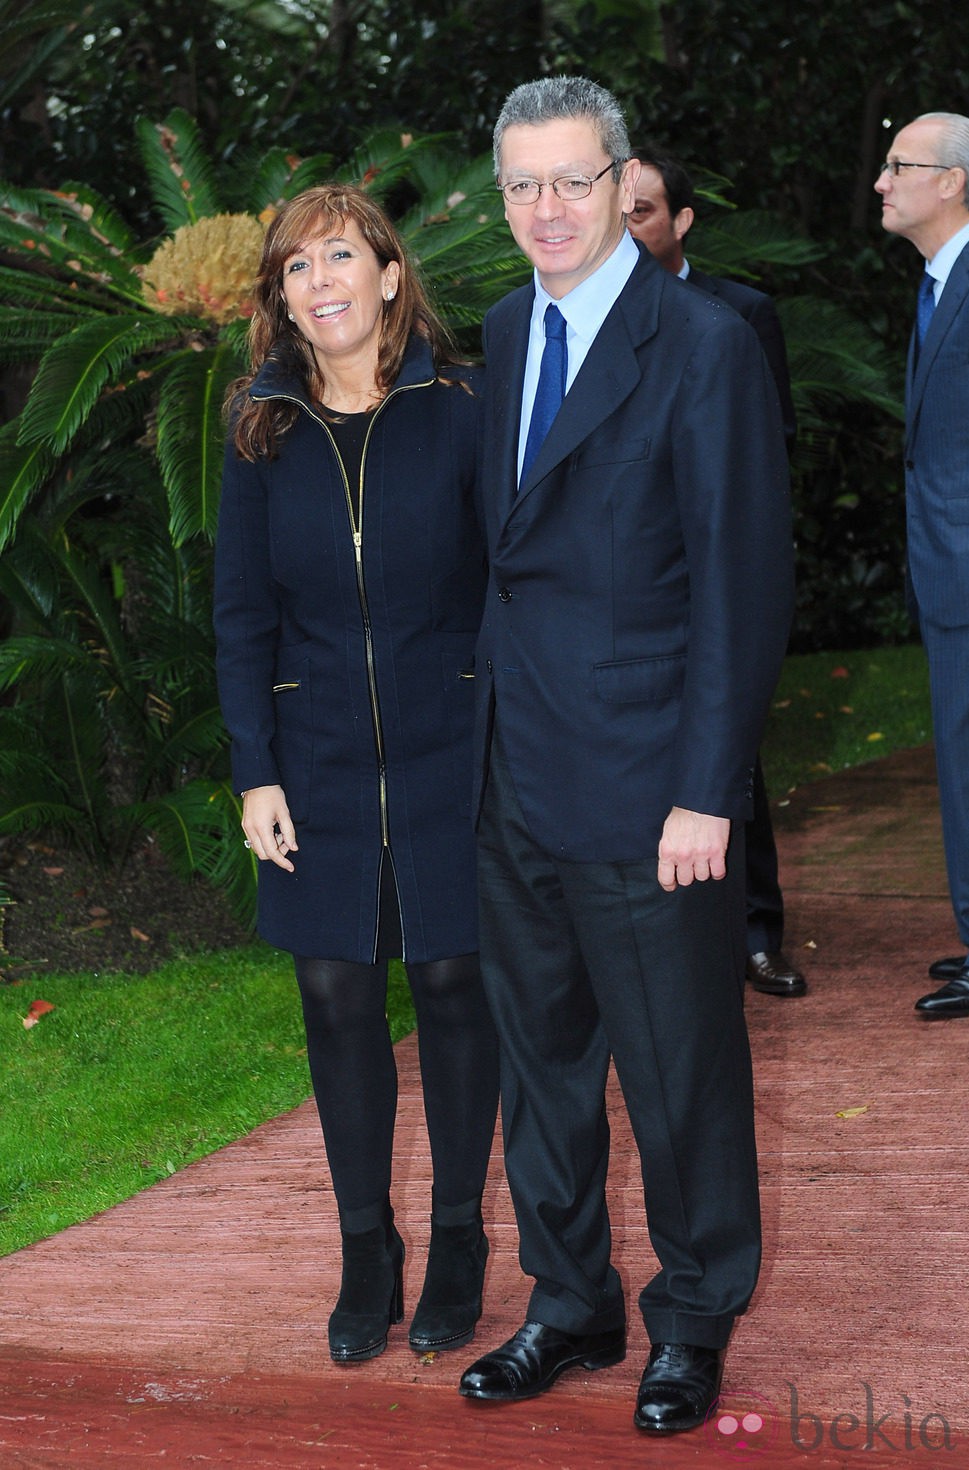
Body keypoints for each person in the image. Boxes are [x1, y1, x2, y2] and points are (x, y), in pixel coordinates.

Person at [457, 77, 794, 1436]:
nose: (548, 209)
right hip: (514, 776)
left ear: (622, 184)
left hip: (654, 785)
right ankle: (570, 1299)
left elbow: (743, 582)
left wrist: (707, 787)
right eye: (523, 186)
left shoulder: (702, 344)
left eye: (574, 182)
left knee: (682, 1071)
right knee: (539, 1065)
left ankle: (696, 1313)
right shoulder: (498, 331)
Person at [213, 183, 499, 1363]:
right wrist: (254, 770)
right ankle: (364, 1249)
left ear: (390, 275)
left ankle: (458, 1239)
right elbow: (239, 614)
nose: (320, 280)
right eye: (295, 267)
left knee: (448, 984)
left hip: (452, 744)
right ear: (278, 300)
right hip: (316, 751)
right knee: (333, 994)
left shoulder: (466, 408)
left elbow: (506, 582)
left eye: (342, 255)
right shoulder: (258, 426)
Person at [627, 146, 805, 999]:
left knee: (732, 760)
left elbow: (766, 452)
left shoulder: (740, 315)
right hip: (640, 591)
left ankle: (758, 931)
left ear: (683, 220)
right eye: (622, 211)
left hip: (718, 578)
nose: (631, 227)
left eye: (647, 211)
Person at [874, 112, 969, 1019]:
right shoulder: (945, 282)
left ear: (951, 181)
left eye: (899, 166)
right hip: (952, 569)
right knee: (965, 756)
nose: (881, 182)